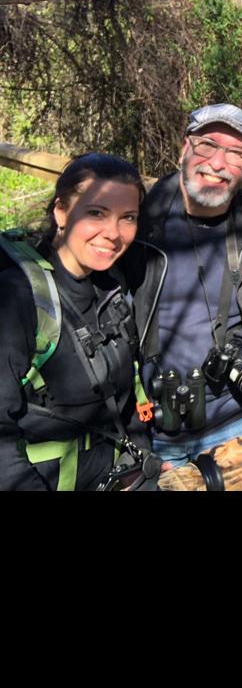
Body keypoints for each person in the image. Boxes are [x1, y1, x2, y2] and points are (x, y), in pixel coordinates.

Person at [123, 103, 242, 478]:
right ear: (184, 149)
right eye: (207, 144)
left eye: (236, 152)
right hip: (152, 429)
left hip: (236, 424)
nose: (218, 162)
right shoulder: (138, 222)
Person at [0, 153, 158, 491]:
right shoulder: (18, 297)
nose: (113, 233)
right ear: (61, 211)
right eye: (96, 213)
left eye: (127, 217)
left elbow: (127, 397)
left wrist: (138, 464)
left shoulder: (111, 285)